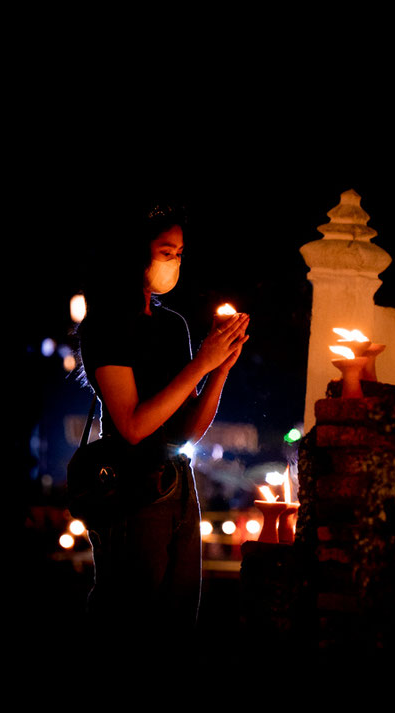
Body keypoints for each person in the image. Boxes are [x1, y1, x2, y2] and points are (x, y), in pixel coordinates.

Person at [76, 203, 249, 654]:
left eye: (179, 253)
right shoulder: (107, 326)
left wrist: (220, 367)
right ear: (134, 254)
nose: (173, 263)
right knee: (129, 622)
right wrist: (200, 365)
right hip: (132, 491)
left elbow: (188, 429)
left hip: (178, 486)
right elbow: (132, 426)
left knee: (177, 622)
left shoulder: (173, 326)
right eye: (164, 251)